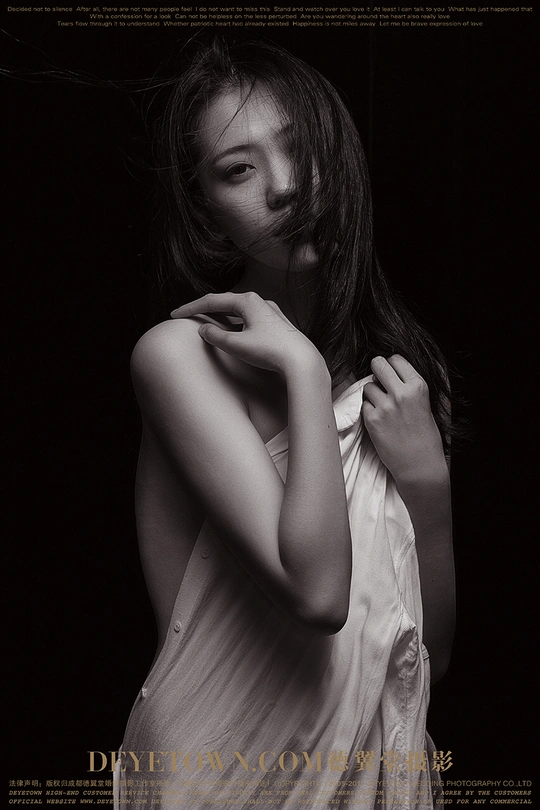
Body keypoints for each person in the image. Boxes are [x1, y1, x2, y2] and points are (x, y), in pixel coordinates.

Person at [114, 37, 455, 810]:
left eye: (300, 148)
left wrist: (428, 485)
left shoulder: (396, 385)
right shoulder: (178, 358)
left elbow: (425, 660)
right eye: (239, 169)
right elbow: (319, 595)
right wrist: (301, 369)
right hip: (219, 778)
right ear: (205, 208)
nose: (286, 186)